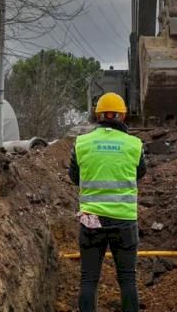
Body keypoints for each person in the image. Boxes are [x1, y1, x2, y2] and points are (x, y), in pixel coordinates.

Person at [69, 92, 146, 312]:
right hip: (124, 221)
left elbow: (74, 177)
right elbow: (139, 173)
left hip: (91, 220)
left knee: (88, 280)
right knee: (128, 280)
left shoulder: (81, 143)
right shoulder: (134, 144)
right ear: (122, 116)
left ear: (97, 115)